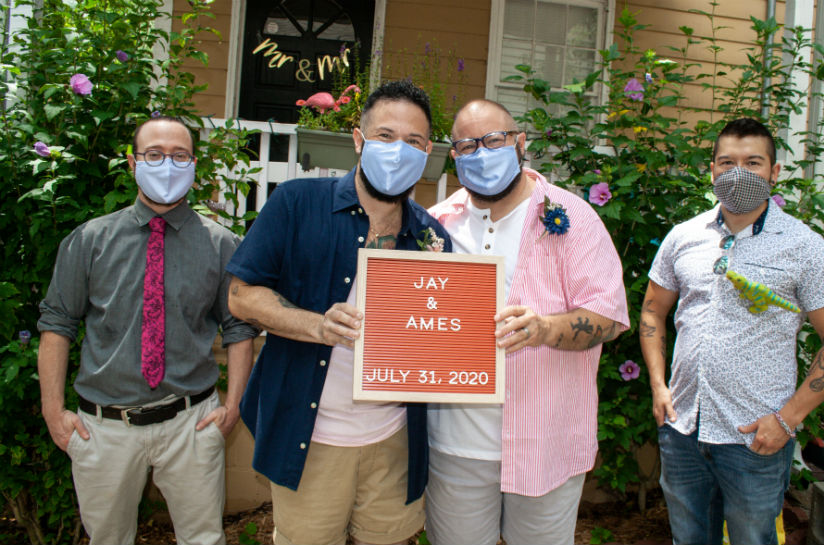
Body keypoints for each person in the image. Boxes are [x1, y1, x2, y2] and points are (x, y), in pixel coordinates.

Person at [226, 80, 452, 545]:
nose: (397, 151)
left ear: (428, 151)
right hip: (312, 439)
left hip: (394, 440)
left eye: (412, 142)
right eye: (385, 136)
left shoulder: (433, 238)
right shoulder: (296, 204)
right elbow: (242, 296)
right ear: (358, 139)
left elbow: (435, 335)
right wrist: (316, 324)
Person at [37, 115, 258, 545]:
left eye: (179, 155)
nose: (167, 165)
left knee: (203, 539)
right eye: (154, 155)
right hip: (104, 428)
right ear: (132, 162)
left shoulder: (221, 245)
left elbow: (238, 328)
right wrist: (52, 410)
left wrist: (233, 407)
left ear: (194, 164)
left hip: (190, 424)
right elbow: (57, 325)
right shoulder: (89, 241)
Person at [640, 117, 824, 545]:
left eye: (753, 162)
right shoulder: (683, 237)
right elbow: (652, 311)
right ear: (712, 169)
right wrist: (658, 385)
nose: (738, 172)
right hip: (683, 427)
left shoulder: (806, 248)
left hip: (757, 437)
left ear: (775, 172)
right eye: (727, 162)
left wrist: (788, 419)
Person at [425, 99, 630, 545]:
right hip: (454, 444)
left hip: (546, 442)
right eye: (467, 145)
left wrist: (546, 329)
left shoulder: (573, 217)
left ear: (520, 142)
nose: (481, 153)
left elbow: (609, 319)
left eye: (494, 140)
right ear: (453, 156)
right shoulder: (434, 226)